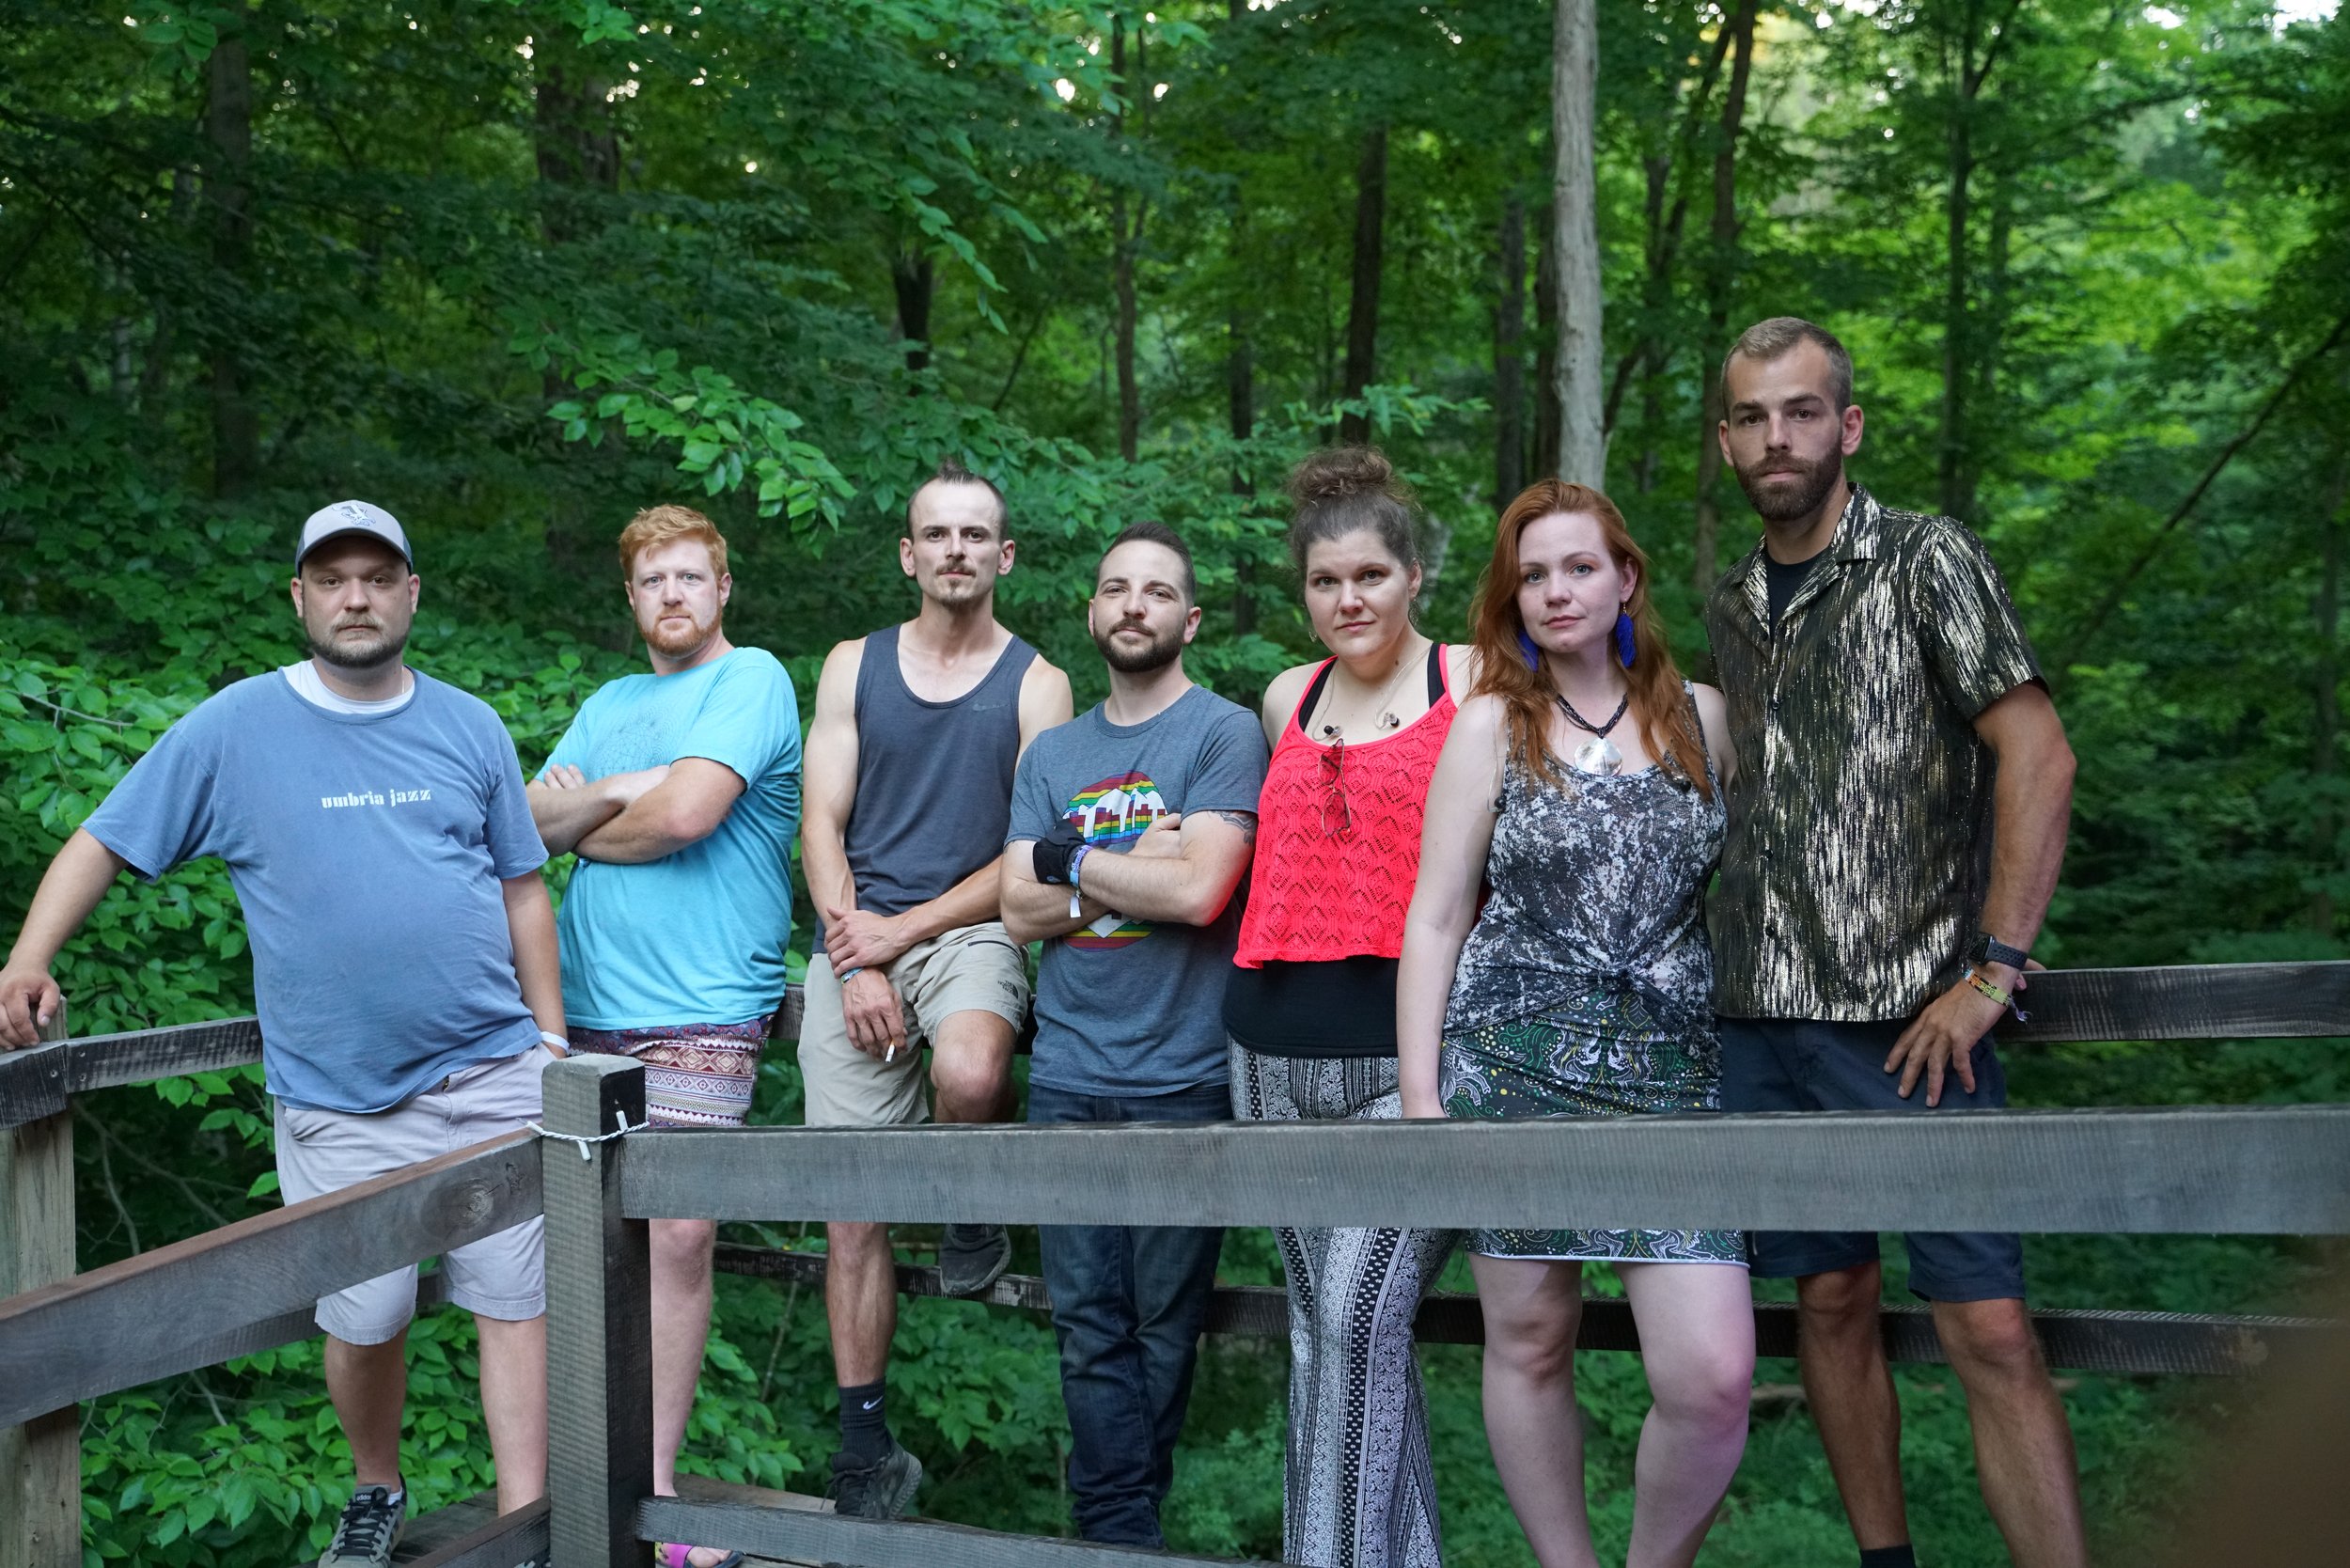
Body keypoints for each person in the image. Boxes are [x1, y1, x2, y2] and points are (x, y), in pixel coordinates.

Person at [0, 502, 561, 1568]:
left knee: (514, 1296)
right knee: (365, 1309)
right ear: (299, 597)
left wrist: (548, 1039)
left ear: (411, 593)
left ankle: (525, 1525)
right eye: (334, 578)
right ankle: (376, 1487)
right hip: (342, 1095)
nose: (357, 596)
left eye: (378, 576)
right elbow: (103, 841)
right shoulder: (234, 728)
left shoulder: (469, 724)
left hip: (493, 1069)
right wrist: (29, 957)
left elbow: (522, 886)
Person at [1700, 316, 2084, 1568]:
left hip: (1916, 1027)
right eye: (1753, 417)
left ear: (1847, 426)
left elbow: (2037, 752)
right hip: (1763, 1022)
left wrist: (1995, 971)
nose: (1778, 438)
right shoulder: (1731, 601)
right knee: (1829, 1301)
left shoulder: (1926, 561)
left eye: (1802, 411)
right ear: (1726, 440)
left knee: (1989, 1329)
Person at [1398, 481, 1753, 1568]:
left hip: (1672, 1074)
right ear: (1512, 597)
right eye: (1534, 574)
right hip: (1513, 1059)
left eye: (1580, 567)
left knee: (1712, 1377)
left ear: (1626, 579)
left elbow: (1743, 894)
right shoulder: (1491, 725)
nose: (1557, 591)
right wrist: (1422, 1102)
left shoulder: (1701, 713)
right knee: (1532, 1338)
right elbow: (1439, 912)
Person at [525, 505, 801, 1568]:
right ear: (630, 596)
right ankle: (575, 1488)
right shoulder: (609, 702)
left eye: (692, 577)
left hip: (702, 1009)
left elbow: (686, 816)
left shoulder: (753, 679)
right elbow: (526, 828)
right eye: (654, 581)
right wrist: (630, 788)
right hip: (582, 1011)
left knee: (680, 1237)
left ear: (722, 590)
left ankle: (654, 1496)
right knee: (580, 1248)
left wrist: (600, 814)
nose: (674, 595)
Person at [797, 460, 1073, 1517]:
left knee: (967, 1069)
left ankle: (970, 1196)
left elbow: (1029, 855)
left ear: (1003, 557)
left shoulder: (1037, 683)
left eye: (975, 536)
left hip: (969, 925)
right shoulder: (851, 665)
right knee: (851, 1206)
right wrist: (855, 954)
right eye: (936, 535)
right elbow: (819, 821)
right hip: (852, 930)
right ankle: (865, 1448)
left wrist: (897, 939)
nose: (956, 550)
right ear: (909, 555)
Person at [1224, 447, 1472, 1568]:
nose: (1348, 601)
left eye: (1370, 576)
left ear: (1415, 573)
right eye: (1326, 584)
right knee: (1327, 1345)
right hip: (1270, 1056)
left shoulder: (1469, 682)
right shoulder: (1287, 694)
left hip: (1410, 1058)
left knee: (1358, 1320)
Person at [1000, 520, 1268, 1548]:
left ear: (1187, 619)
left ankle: (1114, 1530)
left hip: (1184, 1072)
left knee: (1164, 1325)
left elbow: (1200, 892)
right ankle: (1124, 1534)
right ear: (1090, 611)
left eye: (1155, 592)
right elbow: (1014, 913)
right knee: (1086, 1325)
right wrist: (1126, 865)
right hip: (1069, 1070)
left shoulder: (1220, 733)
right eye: (1115, 588)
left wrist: (1067, 856)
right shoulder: (1053, 751)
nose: (1132, 606)